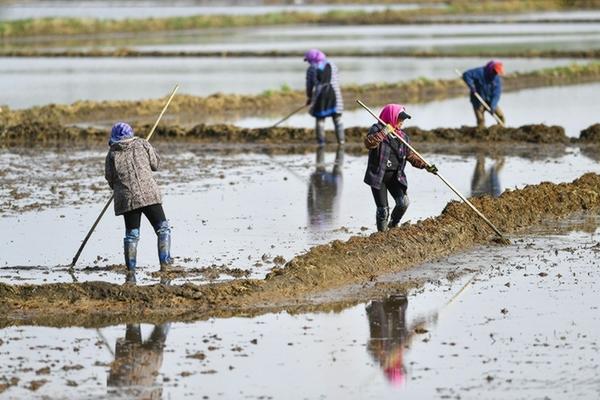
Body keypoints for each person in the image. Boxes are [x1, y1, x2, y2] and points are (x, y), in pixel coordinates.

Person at [105, 122, 172, 276]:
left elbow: (110, 179)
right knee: (163, 229)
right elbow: (155, 165)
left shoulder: (111, 154)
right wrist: (150, 149)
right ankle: (165, 264)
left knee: (132, 235)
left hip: (127, 200)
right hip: (149, 196)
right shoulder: (142, 144)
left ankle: (131, 270)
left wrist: (119, 186)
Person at [363, 104, 437, 232]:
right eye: (400, 119)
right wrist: (384, 132)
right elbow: (369, 143)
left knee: (403, 203)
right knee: (383, 210)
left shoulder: (403, 137)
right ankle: (382, 235)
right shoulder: (377, 129)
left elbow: (410, 155)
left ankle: (393, 225)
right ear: (391, 117)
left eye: (403, 120)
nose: (402, 122)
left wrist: (426, 166)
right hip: (378, 177)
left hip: (395, 177)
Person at [304, 48, 345, 145]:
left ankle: (321, 143)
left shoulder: (311, 69)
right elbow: (336, 80)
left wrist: (309, 97)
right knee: (337, 119)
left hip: (320, 97)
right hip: (335, 96)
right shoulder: (332, 65)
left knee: (320, 120)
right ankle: (341, 141)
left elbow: (309, 85)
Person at [307, 145, 344, 231]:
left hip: (328, 183)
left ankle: (326, 147)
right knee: (335, 168)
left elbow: (310, 199)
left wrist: (311, 182)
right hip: (330, 183)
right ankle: (339, 147)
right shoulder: (328, 216)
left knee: (324, 168)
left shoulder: (324, 215)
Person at [462, 60, 506, 129]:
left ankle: (500, 131)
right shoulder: (480, 72)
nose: (496, 73)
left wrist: (493, 105)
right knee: (481, 120)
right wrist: (472, 86)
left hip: (490, 100)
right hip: (478, 100)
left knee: (501, 117)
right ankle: (481, 135)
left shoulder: (496, 79)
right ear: (491, 69)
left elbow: (496, 94)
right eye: (495, 71)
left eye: (497, 72)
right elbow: (466, 75)